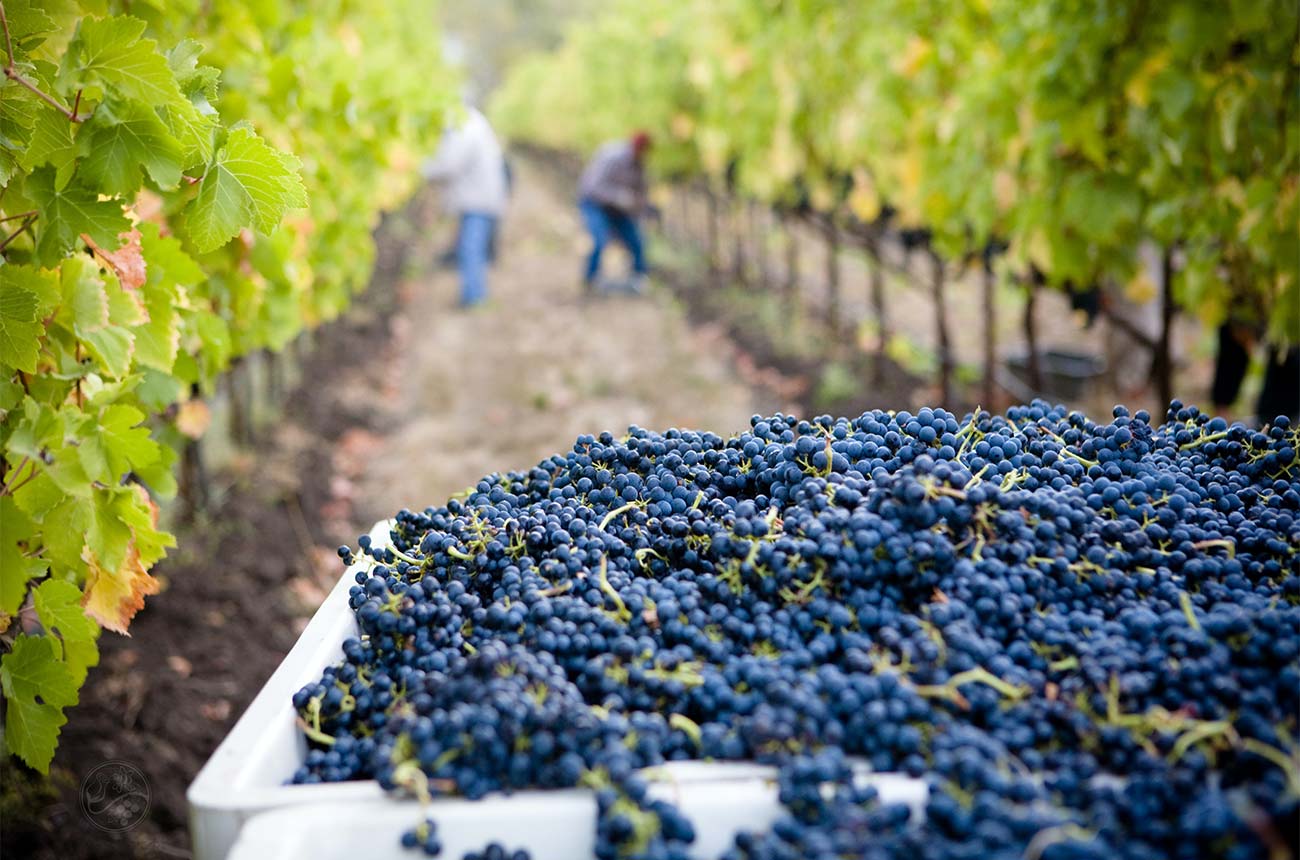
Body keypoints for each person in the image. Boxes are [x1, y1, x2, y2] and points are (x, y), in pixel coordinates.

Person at [421, 106, 507, 308]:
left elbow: (449, 163)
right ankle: (475, 294)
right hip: (480, 197)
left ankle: (474, 296)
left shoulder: (466, 127)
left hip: (478, 200)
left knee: (471, 248)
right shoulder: (473, 123)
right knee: (471, 246)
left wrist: (420, 168)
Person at [577, 131, 652, 294]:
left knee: (636, 240)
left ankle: (639, 277)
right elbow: (593, 187)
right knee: (599, 239)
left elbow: (641, 194)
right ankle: (590, 279)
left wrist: (639, 210)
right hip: (594, 203)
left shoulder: (640, 165)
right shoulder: (612, 157)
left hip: (618, 209)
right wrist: (617, 196)